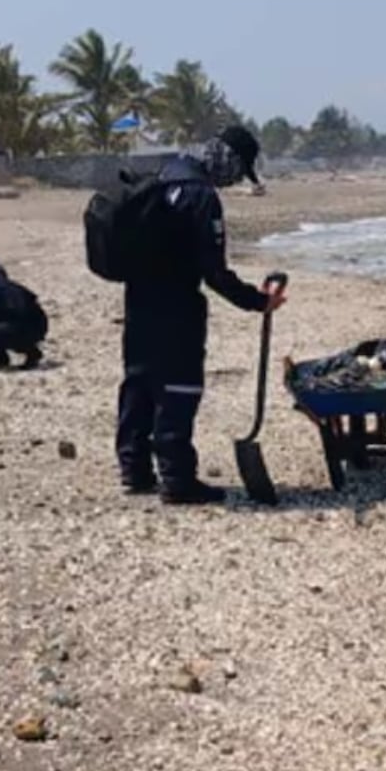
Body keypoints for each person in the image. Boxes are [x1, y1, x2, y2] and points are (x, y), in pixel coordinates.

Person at [118, 124, 287, 505]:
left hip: (139, 298)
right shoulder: (200, 195)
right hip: (177, 304)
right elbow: (214, 271)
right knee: (179, 385)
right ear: (228, 159)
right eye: (238, 170)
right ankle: (177, 480)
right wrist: (257, 302)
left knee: (140, 380)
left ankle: (134, 468)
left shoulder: (165, 175)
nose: (233, 181)